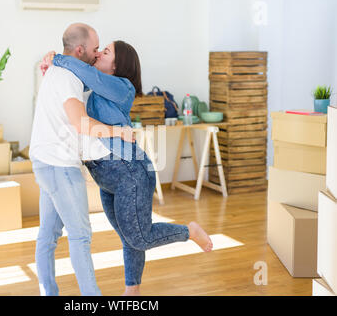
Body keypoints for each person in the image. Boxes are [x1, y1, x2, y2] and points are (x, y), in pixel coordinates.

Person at [42, 40, 213, 296]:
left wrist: (57, 58)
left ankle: (190, 232)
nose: (98, 53)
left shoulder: (123, 87)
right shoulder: (101, 84)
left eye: (106, 51)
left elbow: (84, 72)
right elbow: (75, 79)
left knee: (140, 237)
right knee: (129, 236)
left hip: (130, 173)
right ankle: (133, 289)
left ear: (117, 65)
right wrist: (53, 66)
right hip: (107, 177)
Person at [29, 23, 134, 296]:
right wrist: (118, 132)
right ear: (80, 50)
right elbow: (81, 123)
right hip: (59, 165)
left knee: (48, 235)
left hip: (44, 160)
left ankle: (48, 292)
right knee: (80, 235)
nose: (97, 54)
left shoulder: (58, 70)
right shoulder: (67, 77)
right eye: (95, 48)